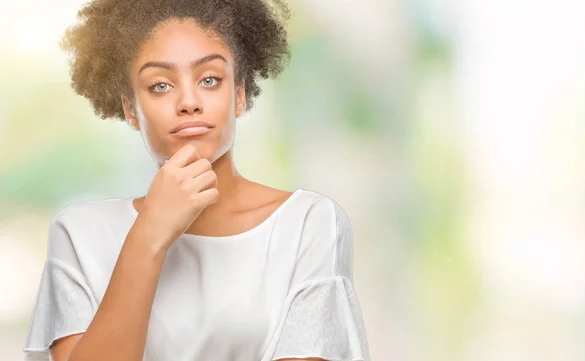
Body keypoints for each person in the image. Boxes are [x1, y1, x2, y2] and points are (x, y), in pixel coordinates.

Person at [22, 1, 371, 360]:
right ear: (130, 109)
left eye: (209, 80)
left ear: (238, 95)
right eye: (160, 85)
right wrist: (150, 234)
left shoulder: (307, 223)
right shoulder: (80, 235)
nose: (188, 102)